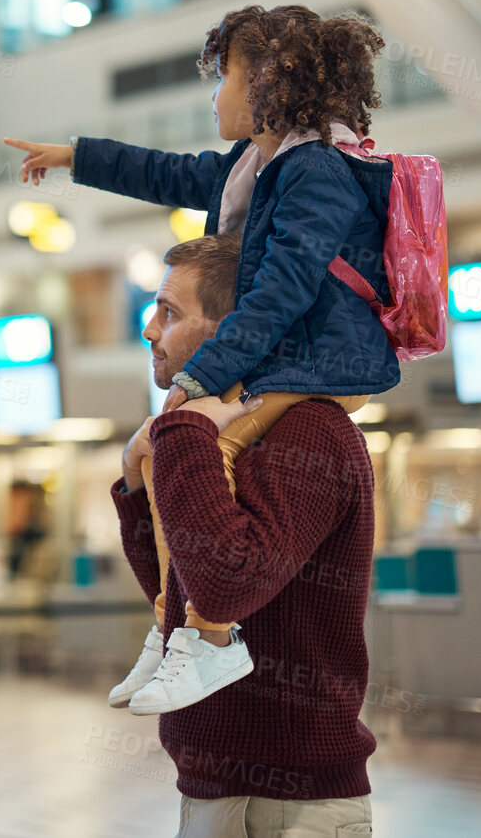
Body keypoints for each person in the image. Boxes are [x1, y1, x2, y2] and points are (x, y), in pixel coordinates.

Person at [8, 4, 400, 714]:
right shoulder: (258, 167)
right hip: (281, 361)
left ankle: (211, 638)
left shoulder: (319, 172)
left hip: (319, 366)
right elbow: (169, 173)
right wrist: (75, 156)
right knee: (155, 452)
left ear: (267, 87)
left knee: (196, 439)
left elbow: (285, 287)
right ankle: (169, 630)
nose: (212, 95)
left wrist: (202, 374)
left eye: (224, 77)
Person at [117, 234, 377, 835]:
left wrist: (181, 432)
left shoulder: (311, 433)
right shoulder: (230, 429)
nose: (150, 331)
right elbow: (178, 583)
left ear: (236, 328)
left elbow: (223, 583)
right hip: (213, 790)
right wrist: (135, 480)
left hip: (290, 805)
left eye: (169, 313)